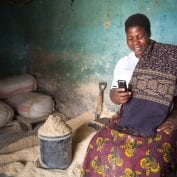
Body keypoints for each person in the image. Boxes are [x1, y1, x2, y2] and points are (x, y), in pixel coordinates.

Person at [81, 13, 177, 177]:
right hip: (128, 115)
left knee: (153, 156)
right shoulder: (123, 63)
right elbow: (113, 92)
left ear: (149, 34)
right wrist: (115, 97)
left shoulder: (170, 57)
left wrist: (175, 118)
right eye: (130, 38)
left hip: (164, 117)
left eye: (139, 36)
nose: (135, 43)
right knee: (98, 144)